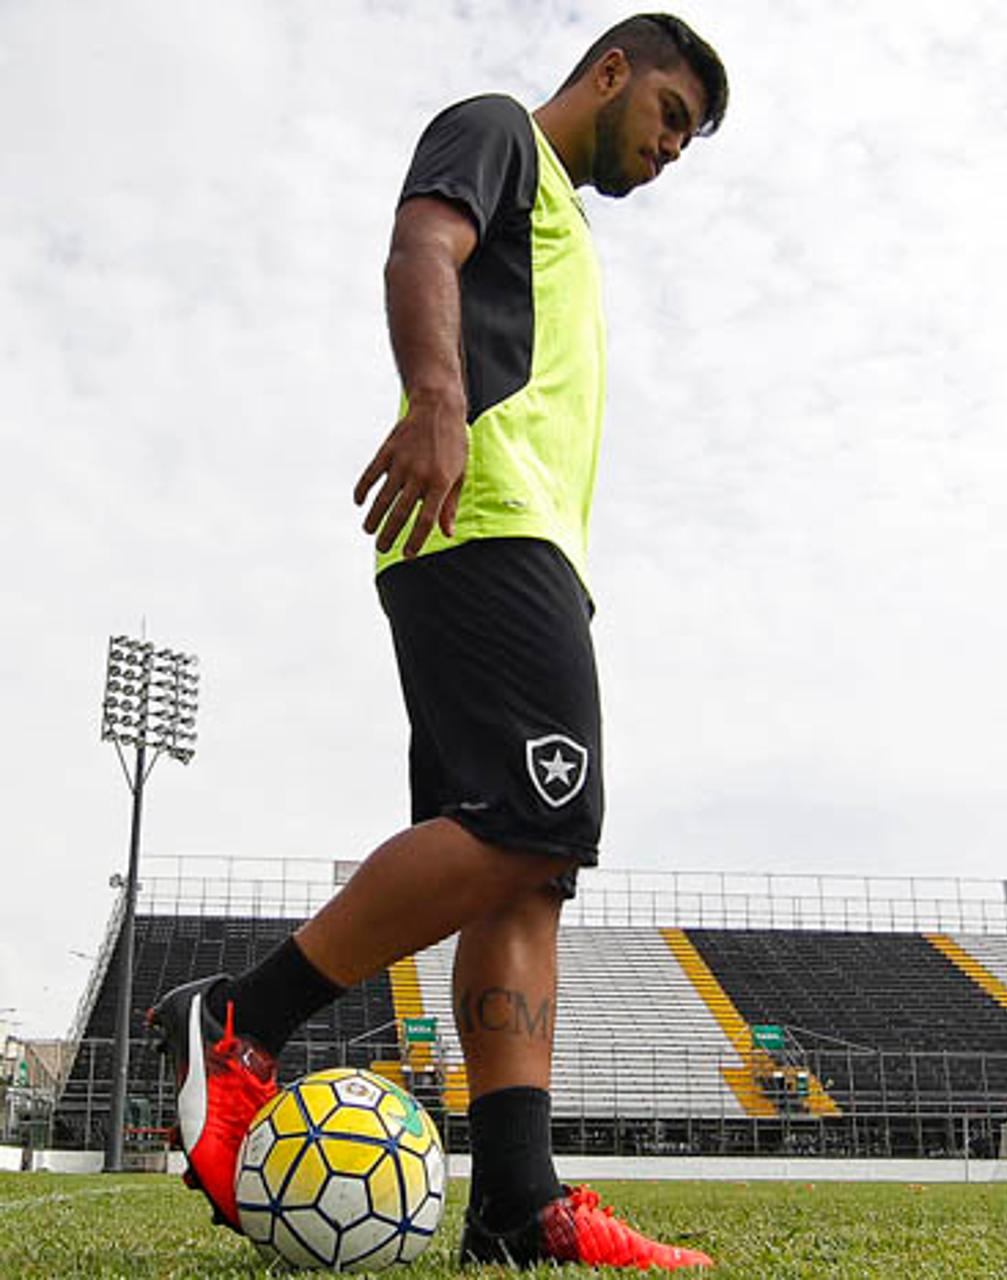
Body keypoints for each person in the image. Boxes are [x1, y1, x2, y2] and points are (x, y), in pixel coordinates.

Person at [147, 14, 727, 1270]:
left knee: (525, 872)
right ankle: (242, 1014)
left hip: (537, 552)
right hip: (482, 518)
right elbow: (422, 242)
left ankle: (518, 1203)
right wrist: (437, 401)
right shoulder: (496, 131)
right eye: (672, 115)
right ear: (615, 71)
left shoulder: (572, 230)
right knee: (537, 812)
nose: (674, 148)